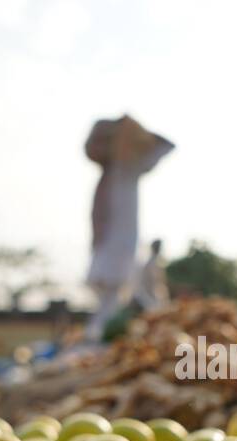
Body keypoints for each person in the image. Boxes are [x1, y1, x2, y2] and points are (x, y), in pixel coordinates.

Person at [83, 115, 174, 341]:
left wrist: (127, 125)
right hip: (112, 242)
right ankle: (99, 335)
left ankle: (100, 334)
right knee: (110, 294)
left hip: (121, 242)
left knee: (115, 293)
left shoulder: (129, 167)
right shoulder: (113, 173)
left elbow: (166, 146)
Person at [134, 238, 169, 311]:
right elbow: (154, 282)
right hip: (147, 296)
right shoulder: (151, 263)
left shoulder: (155, 262)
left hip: (152, 295)